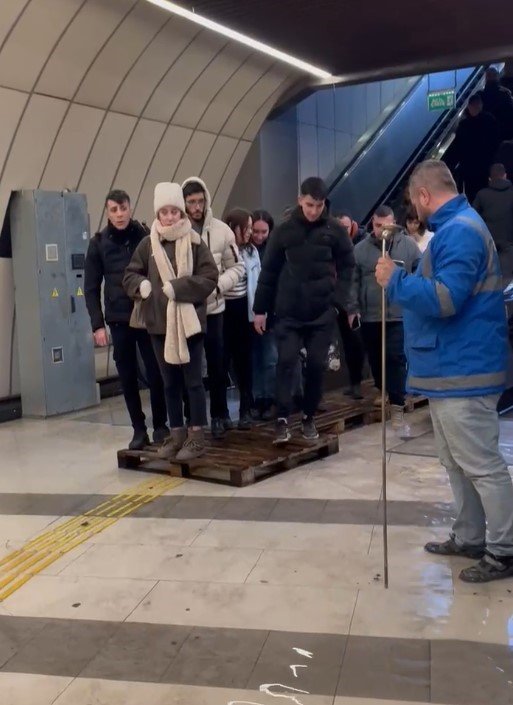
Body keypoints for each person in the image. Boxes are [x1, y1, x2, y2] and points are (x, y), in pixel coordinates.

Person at [376, 160, 513, 583]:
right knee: (456, 462)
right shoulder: (455, 230)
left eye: (412, 202)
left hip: (464, 370)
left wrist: (395, 282)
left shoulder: (461, 232)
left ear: (422, 195)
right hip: (449, 369)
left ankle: (505, 549)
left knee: (481, 464)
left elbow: (446, 298)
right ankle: (470, 536)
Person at [253, 177, 355, 444]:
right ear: (300, 200)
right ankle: (282, 419)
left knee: (316, 367)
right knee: (286, 362)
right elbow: (269, 272)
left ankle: (309, 417)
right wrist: (260, 310)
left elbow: (347, 266)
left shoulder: (334, 230)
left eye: (319, 205)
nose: (313, 211)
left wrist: (338, 301)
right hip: (288, 312)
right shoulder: (283, 231)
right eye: (309, 204)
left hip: (322, 312)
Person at [123, 183, 218, 460]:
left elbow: (209, 277)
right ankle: (176, 435)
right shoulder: (147, 244)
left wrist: (179, 289)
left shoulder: (195, 241)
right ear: (157, 213)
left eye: (174, 211)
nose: (169, 217)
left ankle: (197, 436)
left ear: (181, 212)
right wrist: (140, 285)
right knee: (169, 383)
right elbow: (129, 275)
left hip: (190, 325)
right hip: (159, 325)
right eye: (163, 212)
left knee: (193, 382)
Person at [84, 189, 168, 451]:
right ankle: (139, 429)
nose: (119, 215)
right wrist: (97, 324)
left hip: (146, 315)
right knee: (128, 376)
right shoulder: (98, 243)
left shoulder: (144, 236)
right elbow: (90, 286)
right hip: (119, 320)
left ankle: (162, 426)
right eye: (113, 210)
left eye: (123, 209)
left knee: (155, 372)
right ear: (108, 212)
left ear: (130, 208)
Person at [348, 205, 421, 435]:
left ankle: (398, 407)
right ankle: (384, 390)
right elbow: (352, 282)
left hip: (399, 313)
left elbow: (420, 273)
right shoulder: (359, 250)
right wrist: (352, 308)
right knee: (376, 358)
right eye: (379, 226)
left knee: (396, 357)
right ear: (373, 224)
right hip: (370, 315)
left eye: (387, 225)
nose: (383, 230)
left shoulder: (408, 246)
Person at [181, 177, 244, 438]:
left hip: (215, 309)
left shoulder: (222, 231)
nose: (196, 206)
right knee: (189, 366)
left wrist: (218, 287)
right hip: (186, 311)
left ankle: (220, 414)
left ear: (206, 200)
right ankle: (193, 418)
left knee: (218, 365)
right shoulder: (176, 232)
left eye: (200, 201)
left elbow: (237, 267)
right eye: (191, 202)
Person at [223, 208, 260, 429]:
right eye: (245, 227)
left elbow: (257, 280)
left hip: (245, 310)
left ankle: (247, 409)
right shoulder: (221, 249)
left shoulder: (251, 251)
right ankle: (223, 414)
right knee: (222, 362)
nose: (249, 232)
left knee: (244, 362)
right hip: (224, 310)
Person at [446, 94, 499, 203]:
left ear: (469, 107)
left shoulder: (464, 125)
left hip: (469, 169)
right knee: (485, 196)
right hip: (485, 167)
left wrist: (451, 165)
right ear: (481, 105)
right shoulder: (489, 121)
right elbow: (495, 143)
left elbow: (457, 149)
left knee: (472, 197)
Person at [251, 210, 278, 419]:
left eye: (263, 232)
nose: (259, 236)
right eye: (255, 231)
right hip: (249, 313)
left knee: (269, 358)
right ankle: (257, 398)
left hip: (271, 313)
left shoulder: (274, 251)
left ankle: (269, 399)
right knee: (254, 358)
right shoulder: (245, 250)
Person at [474, 163, 513, 282]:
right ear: (505, 176)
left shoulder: (482, 194)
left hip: (489, 247)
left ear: (490, 179)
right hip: (509, 246)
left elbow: (473, 218)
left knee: (490, 283)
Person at [480, 67, 513, 142]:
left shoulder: (480, 95)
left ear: (486, 78)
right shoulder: (505, 93)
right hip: (505, 134)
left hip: (487, 135)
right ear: (497, 77)